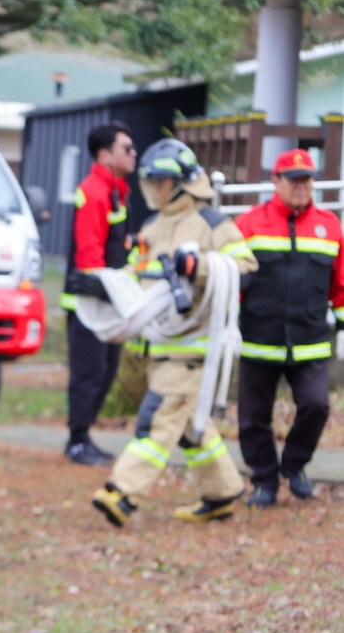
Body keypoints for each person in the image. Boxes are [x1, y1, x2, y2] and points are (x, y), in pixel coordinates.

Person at [91, 139, 257, 527]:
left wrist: (198, 266)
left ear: (182, 182)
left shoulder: (212, 223)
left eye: (162, 182)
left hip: (194, 351)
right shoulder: (153, 225)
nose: (155, 190)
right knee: (191, 429)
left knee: (158, 419)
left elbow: (246, 267)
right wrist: (105, 286)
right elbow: (138, 275)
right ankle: (222, 493)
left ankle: (122, 493)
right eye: (151, 182)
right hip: (158, 345)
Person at [233, 149, 344, 507]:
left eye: (307, 179)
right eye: (294, 178)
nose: (302, 185)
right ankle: (264, 481)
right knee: (252, 419)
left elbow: (340, 285)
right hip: (258, 341)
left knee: (316, 406)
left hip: (309, 342)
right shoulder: (249, 224)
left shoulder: (330, 226)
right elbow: (231, 280)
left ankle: (294, 466)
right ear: (275, 181)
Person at [62, 122, 138, 466]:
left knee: (105, 372)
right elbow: (90, 253)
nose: (133, 154)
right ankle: (77, 442)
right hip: (90, 303)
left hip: (108, 300)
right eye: (127, 148)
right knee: (90, 373)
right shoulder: (93, 191)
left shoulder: (116, 190)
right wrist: (110, 292)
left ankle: (84, 436)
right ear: (105, 155)